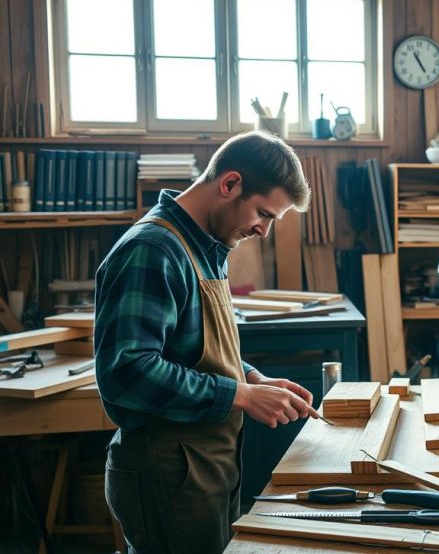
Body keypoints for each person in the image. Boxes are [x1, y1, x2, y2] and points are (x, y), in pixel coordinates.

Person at [95, 131, 320, 554]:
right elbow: (127, 372)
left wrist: (252, 378)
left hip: (204, 466)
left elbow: (192, 345)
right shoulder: (153, 249)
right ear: (230, 184)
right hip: (168, 471)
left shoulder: (205, 246)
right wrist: (240, 394)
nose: (264, 231)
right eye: (263, 214)